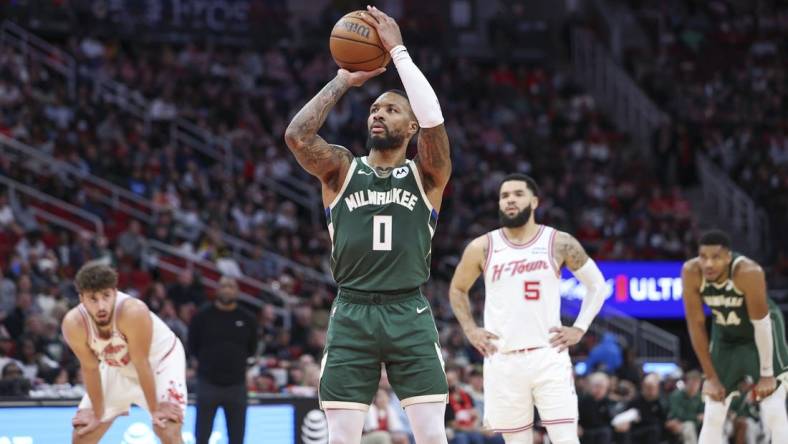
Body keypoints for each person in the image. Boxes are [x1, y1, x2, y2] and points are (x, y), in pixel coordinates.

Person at [284, 6, 451, 444]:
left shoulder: (427, 174)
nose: (378, 113)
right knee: (341, 439)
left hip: (408, 311)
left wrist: (397, 51)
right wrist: (344, 79)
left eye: (392, 110)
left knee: (433, 437)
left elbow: (434, 119)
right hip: (352, 311)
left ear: (411, 126)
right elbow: (297, 137)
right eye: (375, 108)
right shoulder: (341, 168)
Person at [448, 174, 607, 444]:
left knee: (566, 439)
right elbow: (457, 289)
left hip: (548, 354)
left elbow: (598, 286)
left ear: (534, 201)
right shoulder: (483, 246)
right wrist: (471, 330)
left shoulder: (559, 242)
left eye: (517, 194)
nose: (510, 200)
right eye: (504, 196)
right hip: (503, 358)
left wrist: (579, 328)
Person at [681, 230, 788, 443]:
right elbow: (696, 325)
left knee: (773, 407)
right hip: (726, 336)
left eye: (716, 257)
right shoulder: (691, 271)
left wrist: (766, 374)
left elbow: (761, 324)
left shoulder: (748, 271)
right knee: (713, 411)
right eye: (703, 257)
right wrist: (711, 377)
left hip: (762, 333)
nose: (708, 264)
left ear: (728, 257)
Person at [61, 262, 186, 444]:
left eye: (106, 296)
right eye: (93, 299)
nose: (101, 306)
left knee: (166, 429)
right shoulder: (73, 324)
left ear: (115, 292)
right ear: (81, 299)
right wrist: (98, 414)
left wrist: (155, 410)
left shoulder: (132, 311)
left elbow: (141, 363)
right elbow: (90, 368)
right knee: (82, 434)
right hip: (116, 366)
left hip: (159, 364)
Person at [189, 276, 259, 444]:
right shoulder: (202, 316)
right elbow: (192, 345)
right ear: (217, 290)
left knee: (237, 438)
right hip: (207, 384)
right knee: (202, 437)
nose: (227, 289)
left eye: (231, 286)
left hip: (237, 386)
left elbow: (252, 348)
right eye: (223, 286)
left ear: (237, 291)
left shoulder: (248, 318)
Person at [665, 370, 704, 444]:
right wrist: (695, 417)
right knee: (689, 426)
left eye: (697, 383)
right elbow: (678, 414)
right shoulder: (675, 396)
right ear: (686, 383)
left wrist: (699, 418)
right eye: (692, 383)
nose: (694, 386)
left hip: (697, 424)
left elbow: (702, 413)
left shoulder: (700, 397)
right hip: (679, 423)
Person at [577, 372, 614, 444]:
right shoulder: (582, 401)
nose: (599, 389)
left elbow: (612, 419)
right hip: (586, 431)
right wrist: (577, 426)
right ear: (590, 387)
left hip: (603, 432)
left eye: (602, 387)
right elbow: (576, 417)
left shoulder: (608, 402)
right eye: (597, 386)